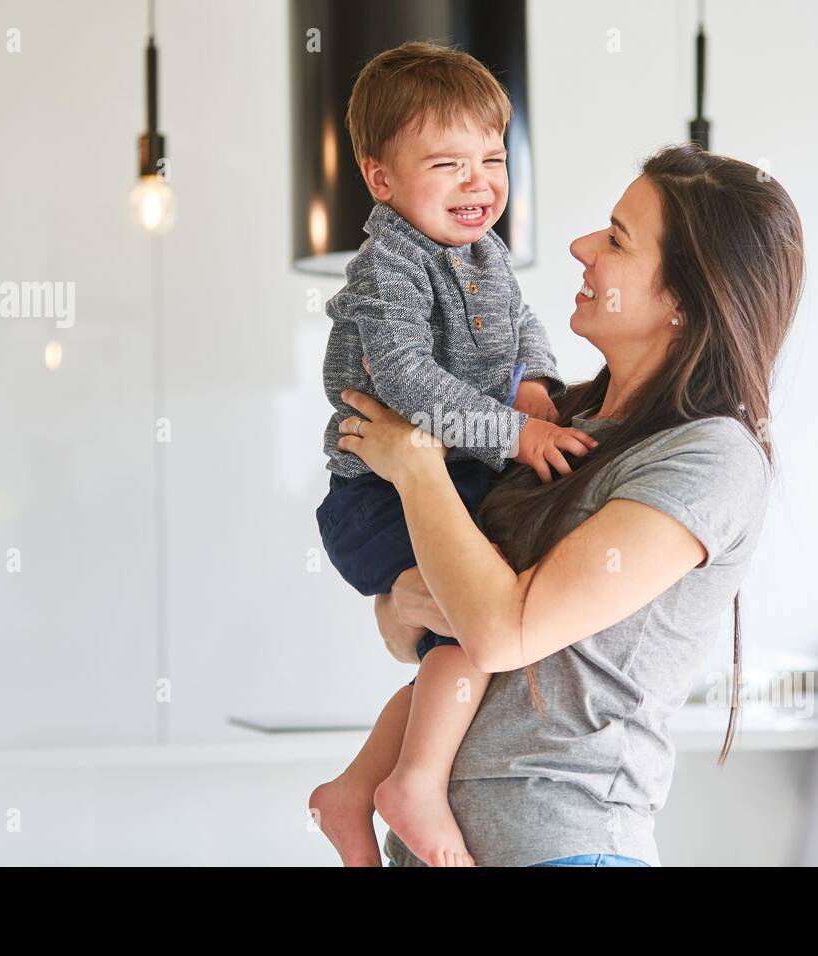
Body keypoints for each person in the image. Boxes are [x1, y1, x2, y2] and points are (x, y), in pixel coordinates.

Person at [322, 143, 805, 867]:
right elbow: (411, 631)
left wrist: (416, 465)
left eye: (616, 239)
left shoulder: (709, 457)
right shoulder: (554, 426)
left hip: (564, 850)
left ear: (683, 300)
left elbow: (501, 633)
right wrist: (401, 602)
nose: (582, 247)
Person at [310, 42, 596, 868]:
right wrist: (519, 433)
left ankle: (355, 789)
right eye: (448, 164)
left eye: (493, 160)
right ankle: (414, 786)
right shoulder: (386, 268)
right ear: (381, 180)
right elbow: (402, 378)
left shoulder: (484, 254)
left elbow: (522, 327)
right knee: (476, 627)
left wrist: (535, 382)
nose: (479, 183)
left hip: (443, 481)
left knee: (460, 644)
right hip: (378, 498)